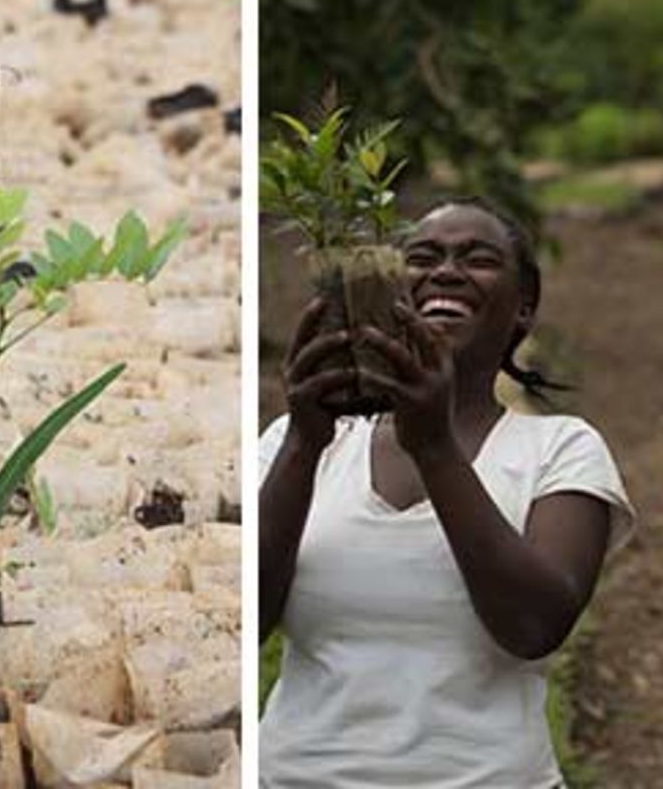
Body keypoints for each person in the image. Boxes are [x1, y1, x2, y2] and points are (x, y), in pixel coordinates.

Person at [258, 199, 634, 788]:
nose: (446, 272)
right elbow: (241, 625)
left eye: (477, 259)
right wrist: (305, 440)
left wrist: (434, 448)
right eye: (422, 258)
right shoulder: (304, 444)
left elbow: (534, 627)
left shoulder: (561, 449)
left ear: (523, 310)